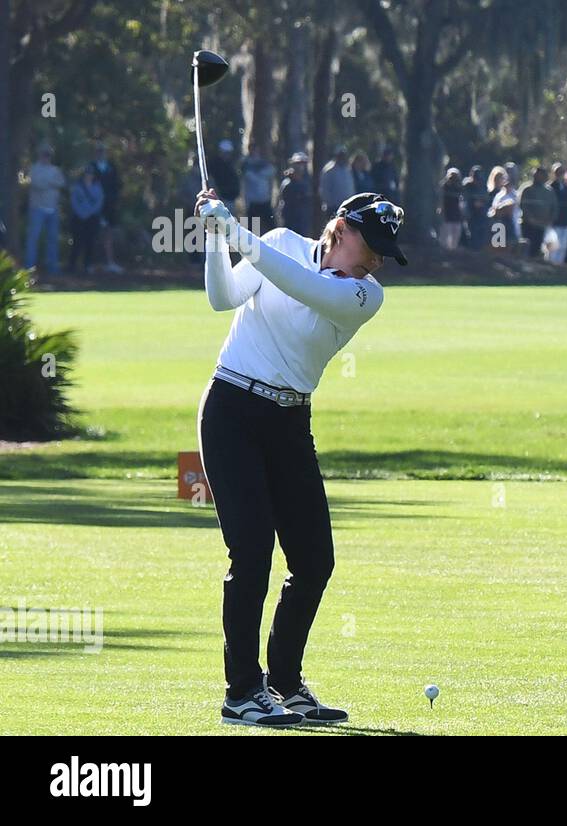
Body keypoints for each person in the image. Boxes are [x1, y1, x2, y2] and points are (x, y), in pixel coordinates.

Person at [194, 186, 404, 727]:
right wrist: (219, 240)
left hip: (289, 422)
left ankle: (284, 682)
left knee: (314, 561)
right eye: (372, 246)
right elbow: (222, 298)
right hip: (231, 411)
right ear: (343, 229)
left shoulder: (365, 296)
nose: (377, 261)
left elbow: (304, 287)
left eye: (383, 253)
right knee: (252, 553)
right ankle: (242, 691)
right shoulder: (282, 241)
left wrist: (236, 232)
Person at [25, 143, 66, 274]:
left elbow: (62, 183)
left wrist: (48, 183)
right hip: (37, 208)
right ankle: (29, 268)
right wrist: (50, 183)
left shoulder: (55, 169)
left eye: (48, 155)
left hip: (52, 209)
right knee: (33, 238)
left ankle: (53, 268)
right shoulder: (34, 168)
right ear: (40, 155)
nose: (46, 157)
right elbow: (35, 184)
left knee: (52, 240)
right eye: (44, 154)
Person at [92, 141, 123, 274]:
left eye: (103, 151)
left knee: (108, 234)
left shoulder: (111, 167)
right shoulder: (91, 167)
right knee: (94, 234)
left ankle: (110, 262)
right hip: (93, 206)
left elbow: (117, 186)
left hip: (109, 206)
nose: (101, 153)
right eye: (99, 151)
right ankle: (92, 263)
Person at [68, 165, 104, 274]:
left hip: (92, 219)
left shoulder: (97, 187)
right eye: (87, 174)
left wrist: (89, 213)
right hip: (79, 219)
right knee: (77, 242)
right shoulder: (77, 187)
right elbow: (74, 202)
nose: (89, 176)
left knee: (90, 242)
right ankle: (72, 266)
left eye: (91, 174)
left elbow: (99, 202)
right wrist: (82, 214)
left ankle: (87, 265)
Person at [519, 166, 555, 258]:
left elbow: (554, 207)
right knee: (527, 246)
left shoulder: (549, 191)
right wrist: (530, 219)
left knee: (538, 247)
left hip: (542, 225)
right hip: (528, 225)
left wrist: (550, 220)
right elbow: (523, 205)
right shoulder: (527, 189)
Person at [241, 142, 277, 232]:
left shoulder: (264, 163)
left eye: (256, 150)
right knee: (253, 231)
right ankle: (252, 246)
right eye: (252, 150)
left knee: (271, 229)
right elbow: (248, 177)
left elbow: (271, 171)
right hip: (252, 202)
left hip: (265, 201)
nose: (255, 152)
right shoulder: (245, 164)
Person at [278, 152, 315, 238]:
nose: (301, 167)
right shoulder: (287, 183)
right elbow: (285, 201)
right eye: (298, 164)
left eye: (303, 164)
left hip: (304, 221)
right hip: (291, 220)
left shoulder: (307, 181)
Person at [487, 166, 519, 249]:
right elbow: (493, 211)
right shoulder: (498, 196)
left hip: (512, 226)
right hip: (499, 227)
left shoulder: (516, 195)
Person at [548, 164, 567, 264]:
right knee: (553, 246)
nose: (560, 175)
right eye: (558, 172)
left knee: (563, 246)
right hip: (554, 222)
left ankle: (560, 265)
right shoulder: (550, 187)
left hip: (565, 222)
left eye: (562, 172)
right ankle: (551, 265)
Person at [319, 146, 355, 217]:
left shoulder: (347, 169)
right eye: (340, 155)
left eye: (344, 155)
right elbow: (324, 190)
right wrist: (330, 204)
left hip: (347, 207)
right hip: (334, 208)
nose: (342, 157)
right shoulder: (329, 170)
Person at [441, 167, 464, 250]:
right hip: (446, 214)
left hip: (457, 215)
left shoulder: (460, 188)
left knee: (456, 233)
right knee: (445, 234)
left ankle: (453, 250)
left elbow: (462, 201)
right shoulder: (444, 187)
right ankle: (445, 250)